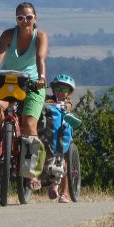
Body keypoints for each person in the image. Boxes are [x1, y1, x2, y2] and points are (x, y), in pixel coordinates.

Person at [0, 2, 48, 142]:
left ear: (35, 18)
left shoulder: (40, 36)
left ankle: (32, 158)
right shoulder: (8, 35)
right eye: (20, 18)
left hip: (32, 84)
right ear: (16, 19)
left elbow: (40, 58)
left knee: (29, 124)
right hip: (10, 82)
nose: (25, 21)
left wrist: (42, 78)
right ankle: (4, 139)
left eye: (28, 17)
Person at [44, 73, 78, 202]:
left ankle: (64, 192)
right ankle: (53, 185)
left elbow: (68, 107)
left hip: (62, 135)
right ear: (53, 90)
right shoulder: (48, 100)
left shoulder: (68, 103)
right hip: (48, 134)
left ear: (69, 92)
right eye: (57, 89)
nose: (60, 92)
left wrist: (62, 107)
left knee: (64, 161)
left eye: (64, 90)